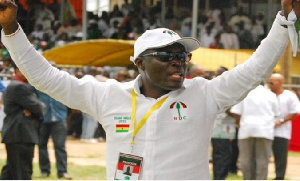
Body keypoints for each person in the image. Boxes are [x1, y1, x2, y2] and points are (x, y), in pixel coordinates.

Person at [0, 0, 299, 179]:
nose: (178, 63)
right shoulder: (107, 95)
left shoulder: (204, 94)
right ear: (140, 63)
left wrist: (283, 18)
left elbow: (256, 68)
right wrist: (12, 30)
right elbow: (45, 78)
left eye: (183, 56)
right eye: (167, 56)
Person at [0, 63, 43, 179]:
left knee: (11, 170)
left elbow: (34, 107)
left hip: (15, 133)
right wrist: (37, 108)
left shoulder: (14, 85)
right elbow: (39, 107)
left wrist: (32, 109)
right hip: (21, 133)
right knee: (22, 171)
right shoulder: (19, 87)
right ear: (18, 70)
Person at [231, 83, 279, 180]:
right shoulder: (270, 94)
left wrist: (239, 125)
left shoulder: (244, 93)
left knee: (246, 160)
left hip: (246, 129)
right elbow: (276, 113)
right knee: (262, 160)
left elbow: (237, 113)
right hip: (265, 130)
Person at [267, 73, 300, 180]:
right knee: (262, 155)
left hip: (282, 131)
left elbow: (295, 112)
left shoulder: (289, 95)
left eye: (272, 82)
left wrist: (281, 121)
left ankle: (279, 177)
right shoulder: (266, 95)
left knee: (280, 156)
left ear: (280, 83)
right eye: (269, 82)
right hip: (265, 130)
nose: (270, 84)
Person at [34, 89, 72, 179]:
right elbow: (31, 95)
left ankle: (62, 172)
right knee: (42, 145)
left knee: (60, 146)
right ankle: (44, 170)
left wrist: (64, 113)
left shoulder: (60, 81)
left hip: (59, 118)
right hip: (42, 118)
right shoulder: (38, 82)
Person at [211, 67, 236, 180]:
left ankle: (219, 176)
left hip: (226, 128)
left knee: (222, 155)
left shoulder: (229, 89)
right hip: (219, 129)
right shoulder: (215, 89)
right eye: (217, 74)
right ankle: (219, 177)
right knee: (221, 155)